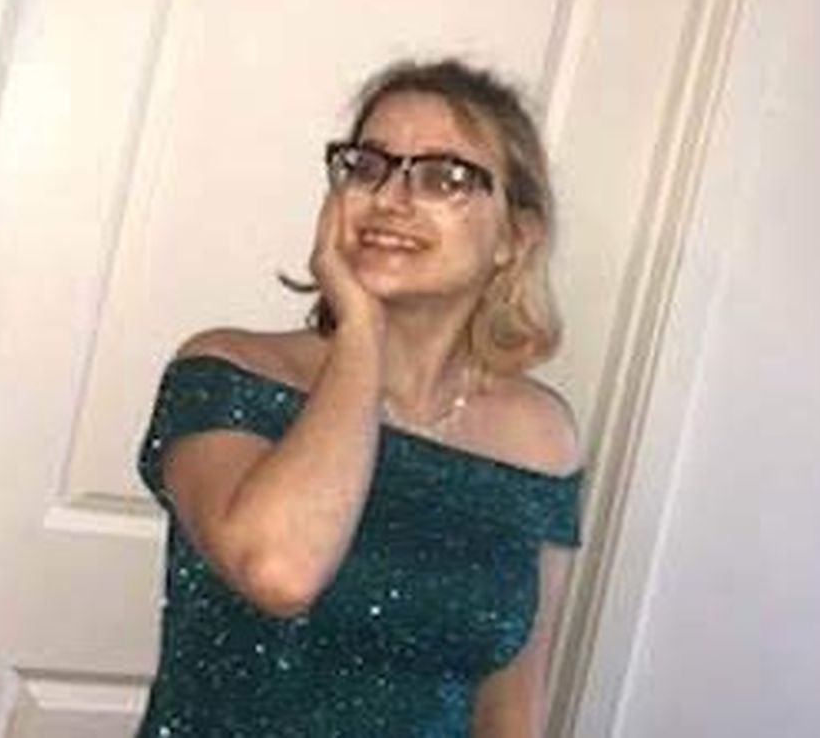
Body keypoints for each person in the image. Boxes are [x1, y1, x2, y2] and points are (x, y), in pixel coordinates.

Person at [135, 58, 584, 737]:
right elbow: (280, 570)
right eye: (367, 166)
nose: (391, 198)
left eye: (444, 177)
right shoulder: (226, 376)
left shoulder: (541, 438)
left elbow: (511, 709)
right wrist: (361, 332)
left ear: (514, 237)